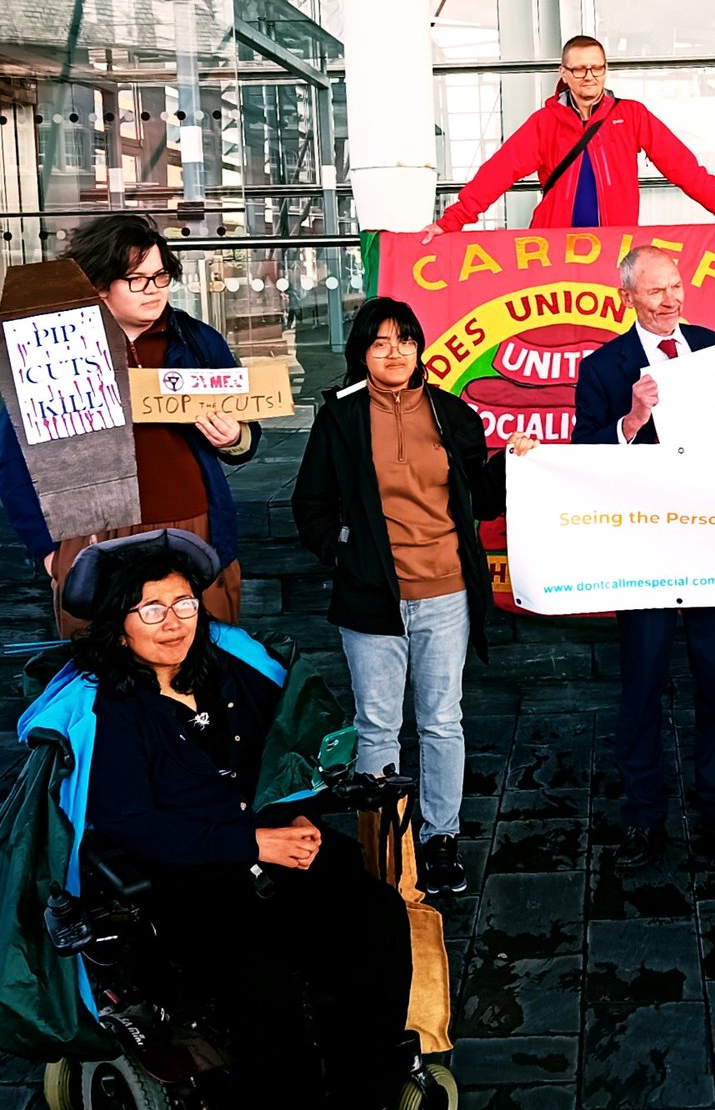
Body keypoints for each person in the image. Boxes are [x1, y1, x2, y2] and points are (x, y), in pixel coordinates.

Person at [65, 530, 412, 1109]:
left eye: (184, 604)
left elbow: (286, 756)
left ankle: (365, 1090)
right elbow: (133, 824)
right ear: (118, 622)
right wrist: (252, 844)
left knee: (375, 916)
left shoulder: (231, 674)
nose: (173, 621)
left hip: (272, 850)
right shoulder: (111, 712)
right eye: (151, 608)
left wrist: (299, 811)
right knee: (260, 977)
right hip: (188, 878)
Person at [292, 297, 536, 896]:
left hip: (446, 590)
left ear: (419, 348)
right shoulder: (340, 419)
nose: (394, 352)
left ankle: (439, 838)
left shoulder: (452, 414)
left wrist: (512, 462)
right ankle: (383, 846)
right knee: (376, 726)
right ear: (362, 354)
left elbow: (479, 496)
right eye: (380, 343)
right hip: (370, 597)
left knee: (441, 720)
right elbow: (312, 505)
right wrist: (346, 552)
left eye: (404, 340)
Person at [571, 245, 715, 870]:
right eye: (657, 291)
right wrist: (631, 420)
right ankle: (643, 818)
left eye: (677, 287)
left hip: (713, 546)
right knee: (643, 687)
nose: (672, 299)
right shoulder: (605, 368)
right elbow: (584, 458)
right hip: (644, 553)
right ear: (626, 296)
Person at [0, 214, 259, 635]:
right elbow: (14, 460)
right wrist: (50, 551)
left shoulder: (197, 341)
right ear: (99, 285)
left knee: (203, 657)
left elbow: (246, 434)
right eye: (136, 280)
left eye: (160, 276)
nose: (153, 290)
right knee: (109, 670)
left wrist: (234, 437)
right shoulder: (53, 350)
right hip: (95, 535)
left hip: (192, 526)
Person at [421, 35, 715, 240]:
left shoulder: (631, 116)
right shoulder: (544, 123)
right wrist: (449, 225)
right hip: (551, 249)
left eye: (597, 68)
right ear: (564, 74)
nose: (589, 76)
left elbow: (684, 168)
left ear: (605, 69)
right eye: (580, 69)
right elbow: (496, 175)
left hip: (614, 248)